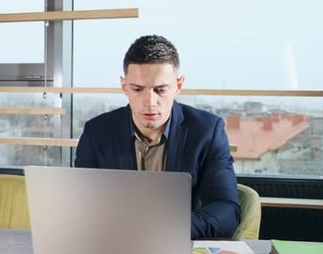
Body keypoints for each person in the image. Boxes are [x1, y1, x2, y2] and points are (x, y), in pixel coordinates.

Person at [75, 34, 240, 239]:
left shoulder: (207, 131)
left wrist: (171, 229)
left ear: (178, 85)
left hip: (179, 245)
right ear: (124, 86)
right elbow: (82, 204)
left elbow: (227, 209)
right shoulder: (96, 132)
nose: (149, 101)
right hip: (115, 245)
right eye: (137, 89)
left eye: (160, 90)